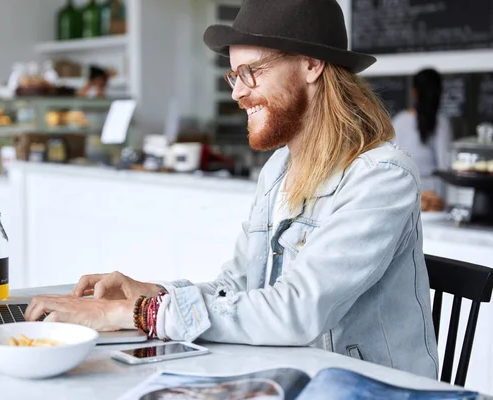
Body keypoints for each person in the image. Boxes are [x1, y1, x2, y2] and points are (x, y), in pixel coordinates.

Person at [25, 0, 439, 379]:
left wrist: (137, 313)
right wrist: (152, 293)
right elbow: (239, 286)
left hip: (368, 388)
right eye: (233, 74)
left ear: (312, 65)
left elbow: (296, 311)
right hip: (291, 374)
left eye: (251, 72)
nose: (237, 91)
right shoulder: (280, 169)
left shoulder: (382, 176)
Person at [392, 68, 452, 208]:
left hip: (402, 191)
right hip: (434, 195)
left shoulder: (398, 121)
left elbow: (392, 161)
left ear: (414, 92)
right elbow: (445, 165)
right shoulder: (441, 123)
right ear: (440, 93)